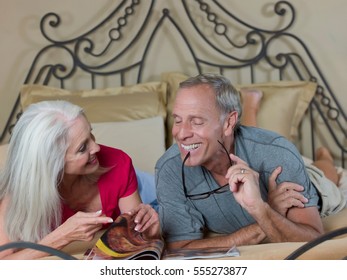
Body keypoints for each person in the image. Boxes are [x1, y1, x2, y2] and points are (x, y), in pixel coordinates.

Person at [155, 73, 342, 250]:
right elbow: (179, 249)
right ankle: (251, 106)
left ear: (229, 122)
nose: (180, 134)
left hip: (302, 174)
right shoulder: (169, 169)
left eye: (196, 122)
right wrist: (268, 210)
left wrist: (259, 209)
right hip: (248, 148)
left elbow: (312, 241)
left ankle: (324, 156)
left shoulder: (277, 154)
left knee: (324, 175)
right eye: (178, 120)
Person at [0, 100, 159, 259]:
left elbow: (138, 236)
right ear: (52, 163)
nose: (96, 148)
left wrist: (149, 228)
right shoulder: (18, 192)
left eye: (91, 134)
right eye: (82, 148)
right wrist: (63, 236)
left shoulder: (118, 163)